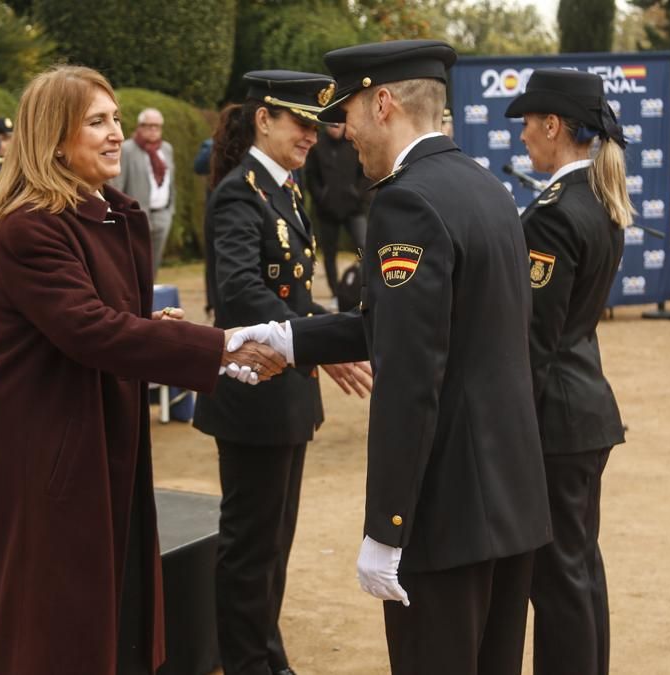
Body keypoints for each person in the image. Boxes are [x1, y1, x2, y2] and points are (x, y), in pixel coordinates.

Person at [226, 40, 551, 675]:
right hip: (511, 502)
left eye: (346, 113)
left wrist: (386, 530)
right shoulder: (484, 186)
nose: (342, 134)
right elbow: (410, 326)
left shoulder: (407, 201)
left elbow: (409, 378)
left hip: (447, 513)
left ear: (383, 104)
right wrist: (290, 340)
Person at [0, 65, 284, 675]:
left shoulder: (110, 213)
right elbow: (87, 328)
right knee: (54, 616)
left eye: (116, 118)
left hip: (102, 432)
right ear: (53, 138)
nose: (116, 133)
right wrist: (216, 346)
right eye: (97, 122)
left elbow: (102, 318)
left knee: (111, 601)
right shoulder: (29, 227)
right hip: (52, 447)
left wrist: (157, 327)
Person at [193, 70, 371, 675]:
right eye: (299, 123)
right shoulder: (240, 192)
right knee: (250, 547)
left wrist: (332, 337)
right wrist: (322, 345)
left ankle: (269, 657)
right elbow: (241, 294)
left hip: (288, 392)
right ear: (263, 119)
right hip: (251, 395)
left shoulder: (286, 191)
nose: (311, 137)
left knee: (275, 544)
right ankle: (247, 663)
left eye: (315, 126)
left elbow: (294, 302)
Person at [505, 68, 632, 675]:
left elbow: (534, 342)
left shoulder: (556, 212)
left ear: (553, 125)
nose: (524, 135)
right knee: (579, 571)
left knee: (557, 582)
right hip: (582, 411)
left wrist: (507, 433)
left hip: (556, 420)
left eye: (529, 122)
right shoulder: (598, 199)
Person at [304, 122, 369, 296]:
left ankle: (366, 285)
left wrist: (358, 194)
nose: (335, 126)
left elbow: (365, 173)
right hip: (327, 210)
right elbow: (310, 176)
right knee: (329, 252)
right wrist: (321, 196)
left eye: (339, 123)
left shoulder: (353, 142)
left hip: (354, 208)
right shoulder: (317, 145)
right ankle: (335, 292)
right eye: (331, 124)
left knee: (364, 246)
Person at [110, 107, 175, 279]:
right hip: (137, 216)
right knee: (133, 264)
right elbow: (117, 185)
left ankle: (150, 298)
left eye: (157, 126)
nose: (153, 130)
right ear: (140, 127)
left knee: (153, 266)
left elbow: (170, 182)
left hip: (162, 215)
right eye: (149, 126)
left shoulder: (166, 149)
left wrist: (170, 211)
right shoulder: (128, 149)